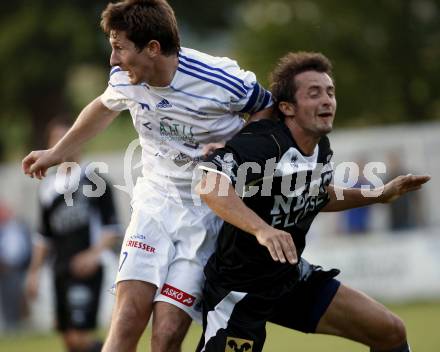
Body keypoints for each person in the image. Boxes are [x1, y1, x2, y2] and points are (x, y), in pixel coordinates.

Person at [22, 1, 272, 351]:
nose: (113, 59)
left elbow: (267, 109)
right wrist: (56, 152)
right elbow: (103, 107)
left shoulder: (220, 79)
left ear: (153, 48)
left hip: (206, 216)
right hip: (154, 206)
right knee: (126, 321)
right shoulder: (125, 77)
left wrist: (235, 148)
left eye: (119, 48)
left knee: (167, 333)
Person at [195, 52, 430, 352]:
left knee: (390, 331)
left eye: (330, 92)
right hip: (240, 291)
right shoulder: (265, 143)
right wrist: (262, 230)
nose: (327, 100)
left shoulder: (321, 148)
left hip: (290, 280)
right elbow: (210, 186)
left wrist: (379, 195)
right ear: (287, 108)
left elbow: (317, 193)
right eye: (314, 93)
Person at [26, 118, 121, 352]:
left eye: (65, 137)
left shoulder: (94, 180)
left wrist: (93, 255)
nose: (61, 143)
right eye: (55, 139)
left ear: (77, 139)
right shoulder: (47, 189)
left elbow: (112, 229)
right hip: (61, 270)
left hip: (89, 269)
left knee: (80, 337)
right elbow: (43, 236)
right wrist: (34, 272)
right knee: (69, 340)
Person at [0, 201, 32, 331]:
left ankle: (23, 325)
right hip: (6, 269)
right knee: (9, 299)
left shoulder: (19, 226)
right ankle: (12, 326)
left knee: (22, 298)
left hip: (20, 267)